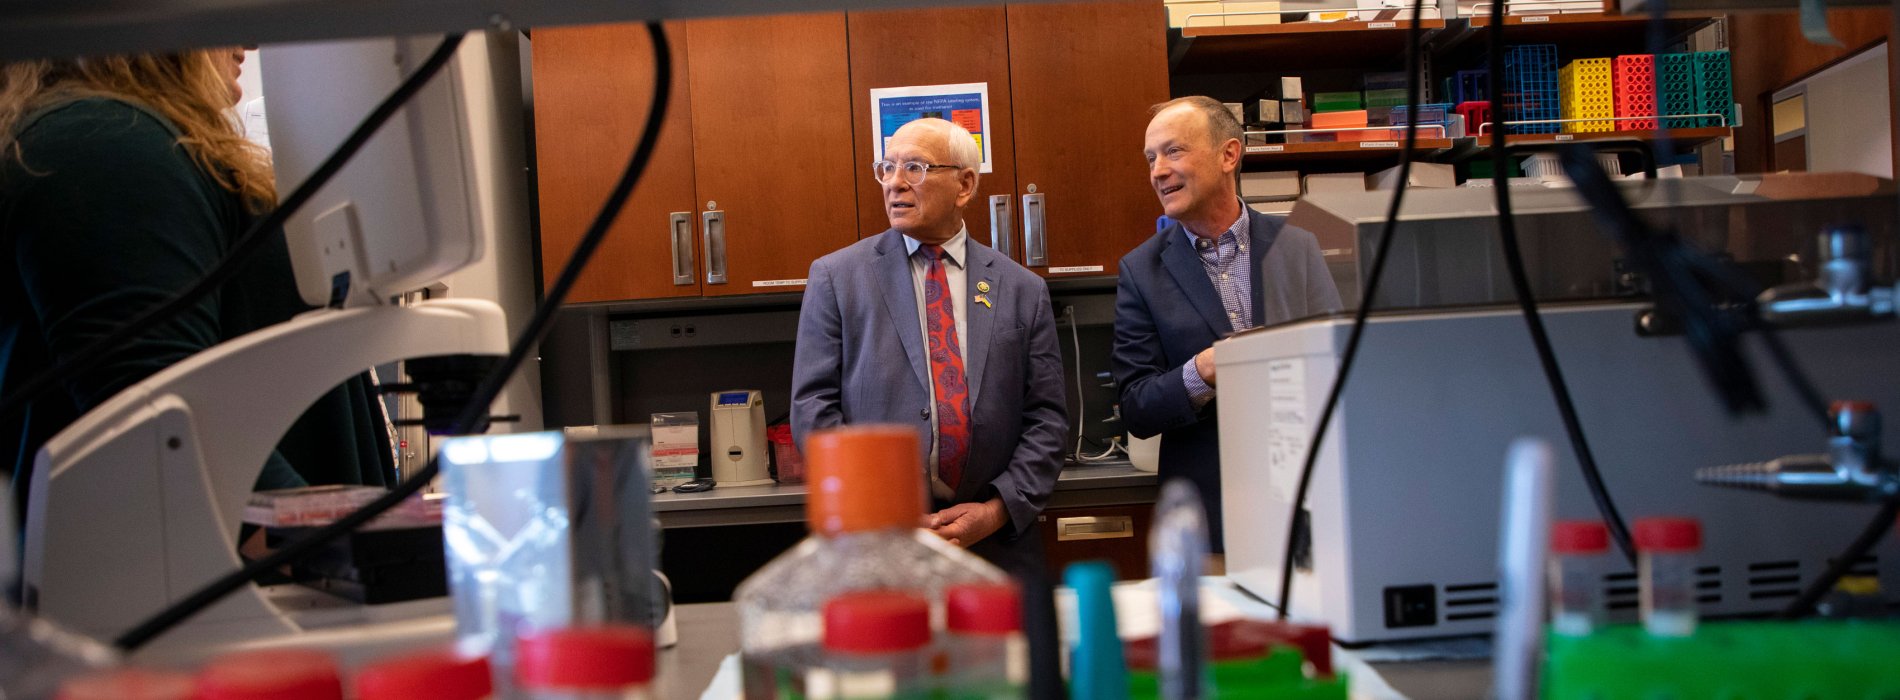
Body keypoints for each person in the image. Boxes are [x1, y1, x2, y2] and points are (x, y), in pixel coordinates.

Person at [0, 48, 396, 534]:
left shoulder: (127, 137)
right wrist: (341, 547)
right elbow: (164, 413)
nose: (248, 42)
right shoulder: (102, 139)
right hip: (218, 585)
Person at [791, 118, 1067, 577]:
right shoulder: (838, 279)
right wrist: (881, 508)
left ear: (964, 185)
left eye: (915, 168)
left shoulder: (1022, 288)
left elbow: (1048, 418)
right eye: (887, 168)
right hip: (875, 545)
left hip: (995, 545)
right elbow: (813, 409)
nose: (895, 183)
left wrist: (998, 509)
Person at [1111, 96, 1343, 556]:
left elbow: (1340, 366)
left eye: (1173, 151)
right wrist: (1204, 369)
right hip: (1210, 522)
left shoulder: (1297, 247)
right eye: (1151, 157)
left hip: (1310, 509)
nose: (1157, 170)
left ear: (1228, 154)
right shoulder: (1142, 270)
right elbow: (1136, 407)